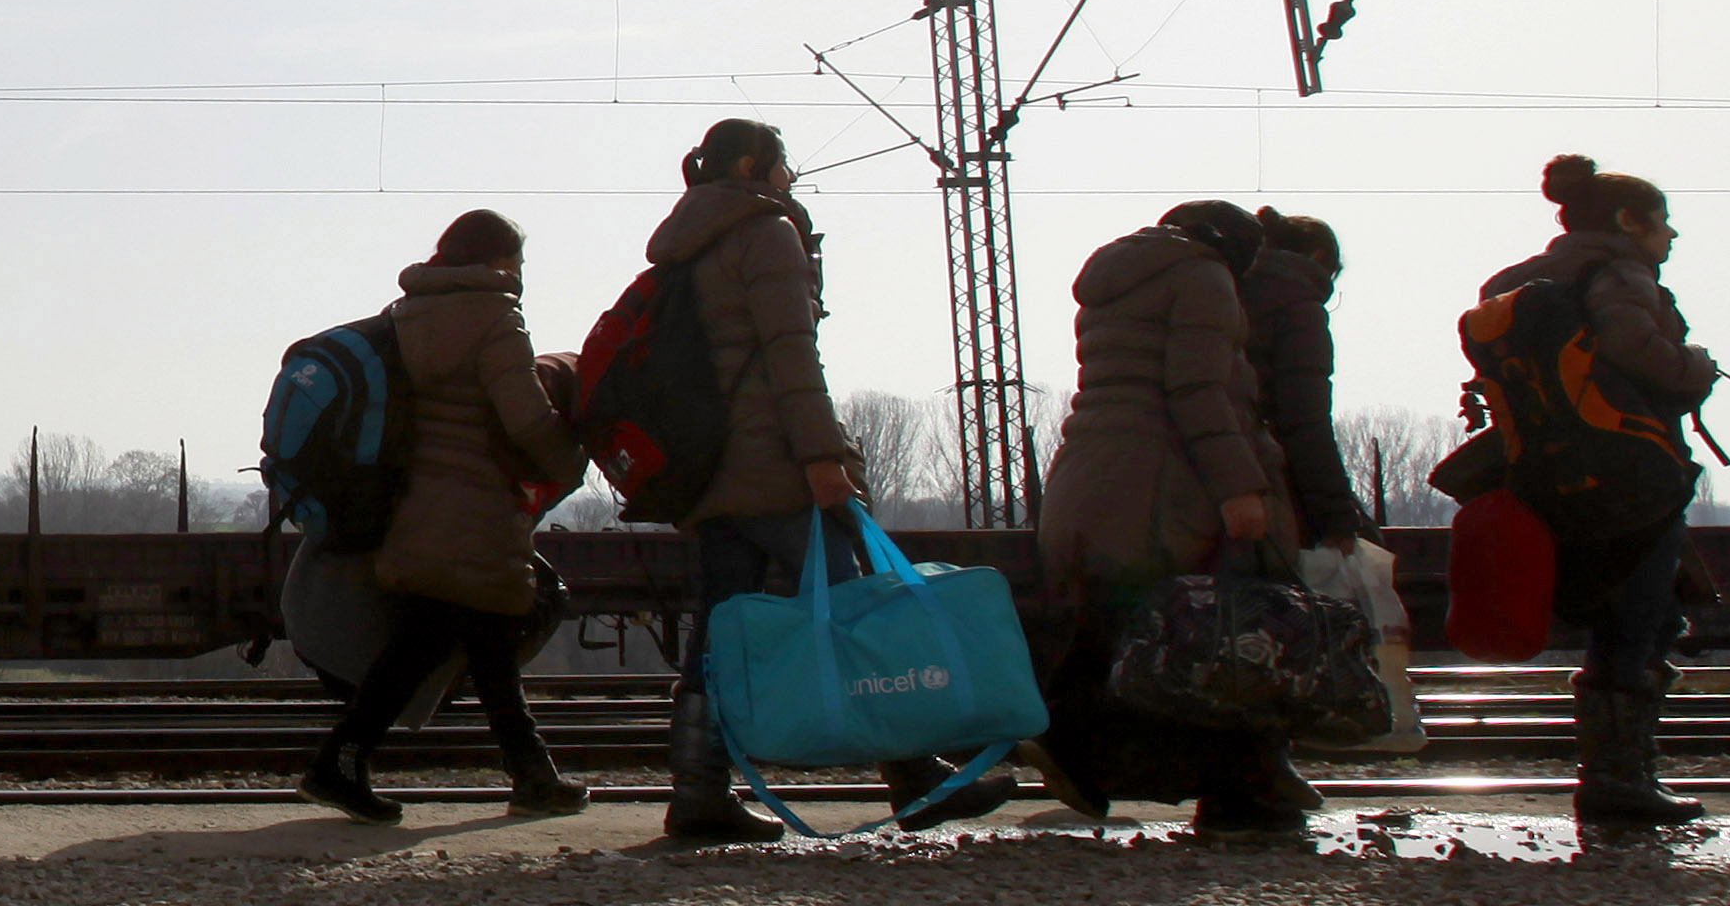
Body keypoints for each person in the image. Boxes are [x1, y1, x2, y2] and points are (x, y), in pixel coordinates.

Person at [644, 119, 1014, 842]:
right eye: (784, 164)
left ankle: (697, 793)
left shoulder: (684, 243)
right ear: (752, 166)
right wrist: (823, 458)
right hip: (775, 466)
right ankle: (915, 776)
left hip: (709, 471)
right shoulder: (764, 231)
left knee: (718, 634)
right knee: (859, 611)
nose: (790, 178)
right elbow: (791, 354)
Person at [300, 209, 592, 824]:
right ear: (498, 260)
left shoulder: (408, 313)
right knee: (440, 644)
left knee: (480, 644)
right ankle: (340, 762)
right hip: (475, 512)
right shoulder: (495, 316)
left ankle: (531, 774)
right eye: (517, 260)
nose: (520, 273)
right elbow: (526, 418)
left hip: (416, 511)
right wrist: (572, 462)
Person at [1026, 199, 1307, 835]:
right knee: (1218, 629)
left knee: (1113, 624)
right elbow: (1198, 390)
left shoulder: (1119, 280)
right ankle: (1241, 785)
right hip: (1156, 484)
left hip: (1091, 476)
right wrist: (1240, 488)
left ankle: (1072, 746)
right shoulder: (1202, 276)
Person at [1481, 154, 1723, 827]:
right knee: (1641, 619)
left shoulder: (1519, 281)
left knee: (1622, 616)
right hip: (1631, 478)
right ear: (1628, 222)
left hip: (1548, 477)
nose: (1671, 235)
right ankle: (1621, 779)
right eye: (1663, 222)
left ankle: (1615, 776)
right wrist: (1696, 367)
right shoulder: (1620, 273)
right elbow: (1633, 346)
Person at [1240, 211, 1370, 558]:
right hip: (1265, 483)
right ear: (1319, 258)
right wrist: (1337, 518)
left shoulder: (1224, 290)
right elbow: (1305, 421)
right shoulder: (1298, 308)